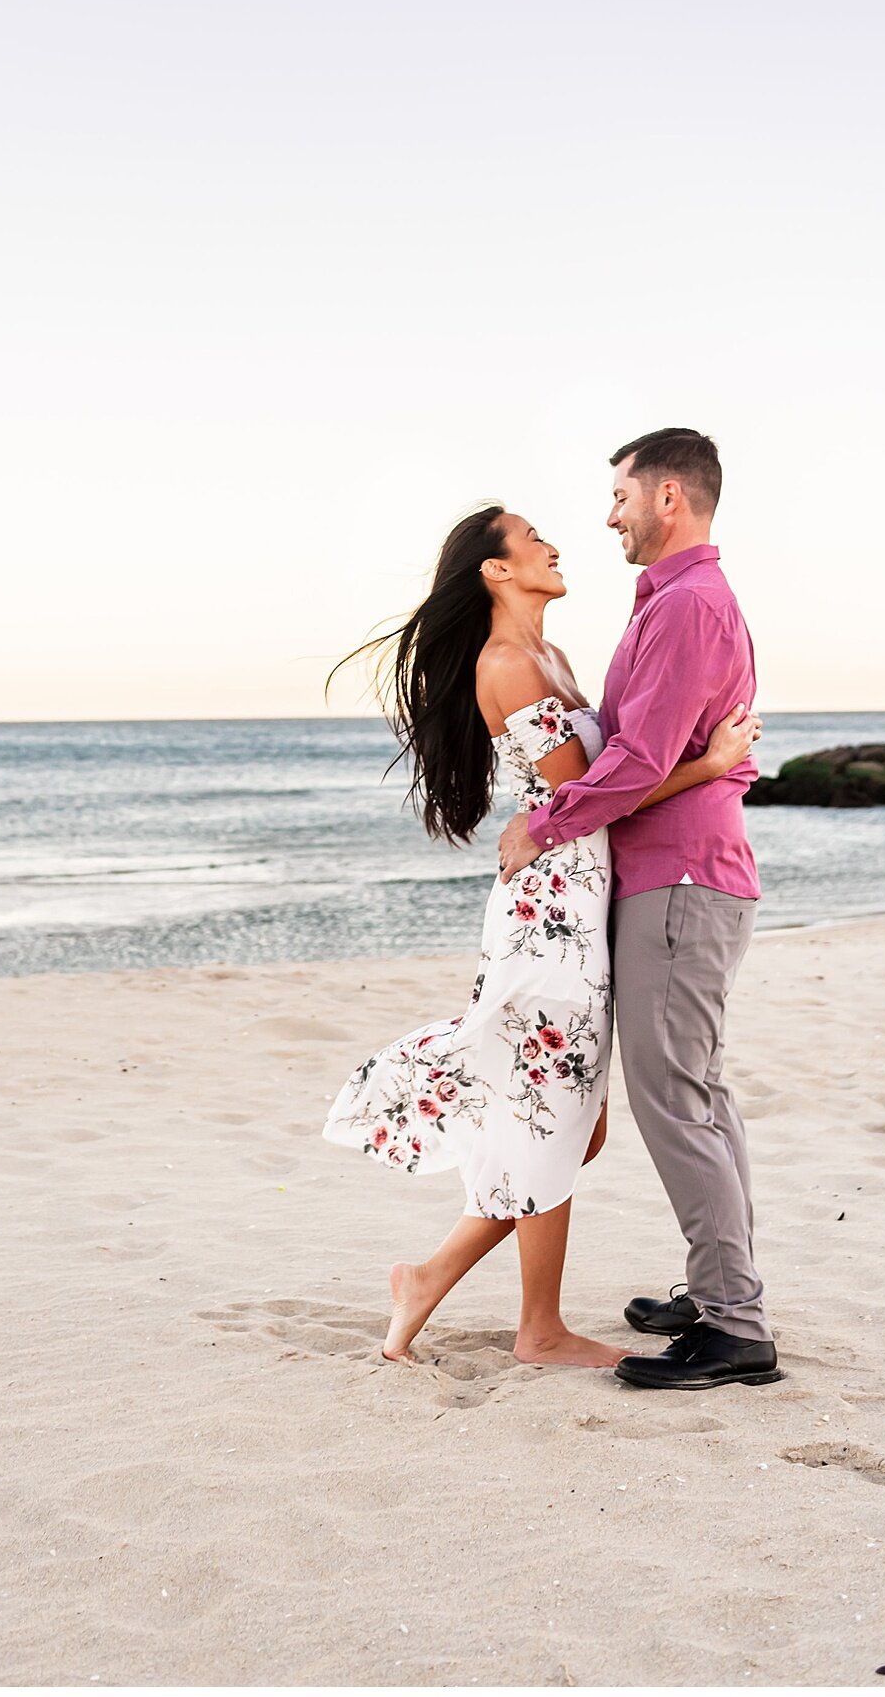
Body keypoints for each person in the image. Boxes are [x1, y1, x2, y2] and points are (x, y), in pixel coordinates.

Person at [322, 500, 759, 1368]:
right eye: (532, 538)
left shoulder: (552, 656)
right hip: (552, 911)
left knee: (564, 1116)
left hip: (582, 900)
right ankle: (538, 1328)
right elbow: (592, 793)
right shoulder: (509, 662)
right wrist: (707, 765)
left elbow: (593, 789)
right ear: (496, 568)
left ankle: (440, 1280)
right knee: (557, 1110)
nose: (555, 543)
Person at [495, 427, 783, 1391]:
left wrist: (547, 819)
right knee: (697, 1092)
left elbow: (639, 760)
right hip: (682, 876)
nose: (607, 512)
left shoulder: (689, 604)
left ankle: (734, 1324)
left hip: (679, 880)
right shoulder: (673, 601)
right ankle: (718, 1289)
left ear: (669, 497)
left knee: (674, 1101)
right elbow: (668, 749)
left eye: (619, 494)